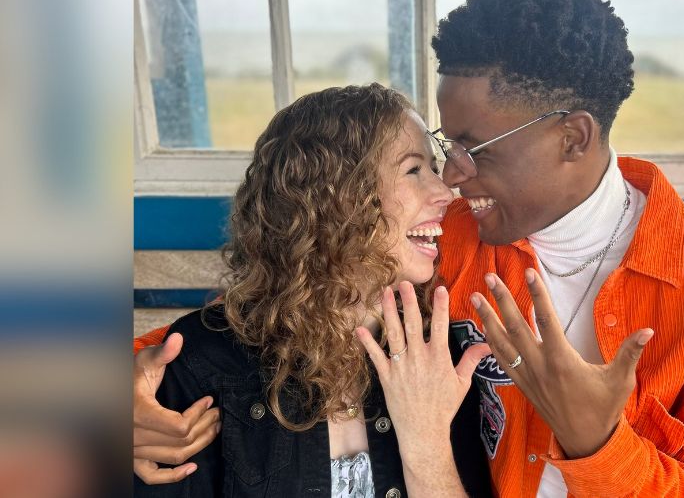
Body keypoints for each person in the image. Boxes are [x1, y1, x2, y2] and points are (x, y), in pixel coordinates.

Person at [135, 0, 684, 497]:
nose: (452, 177)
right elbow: (284, 306)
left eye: (473, 147)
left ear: (571, 135)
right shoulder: (442, 242)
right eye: (439, 146)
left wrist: (598, 443)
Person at [133, 84, 493, 497]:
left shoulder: (442, 353)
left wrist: (425, 439)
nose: (445, 193)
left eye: (434, 167)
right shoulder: (203, 364)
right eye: (414, 170)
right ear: (333, 197)